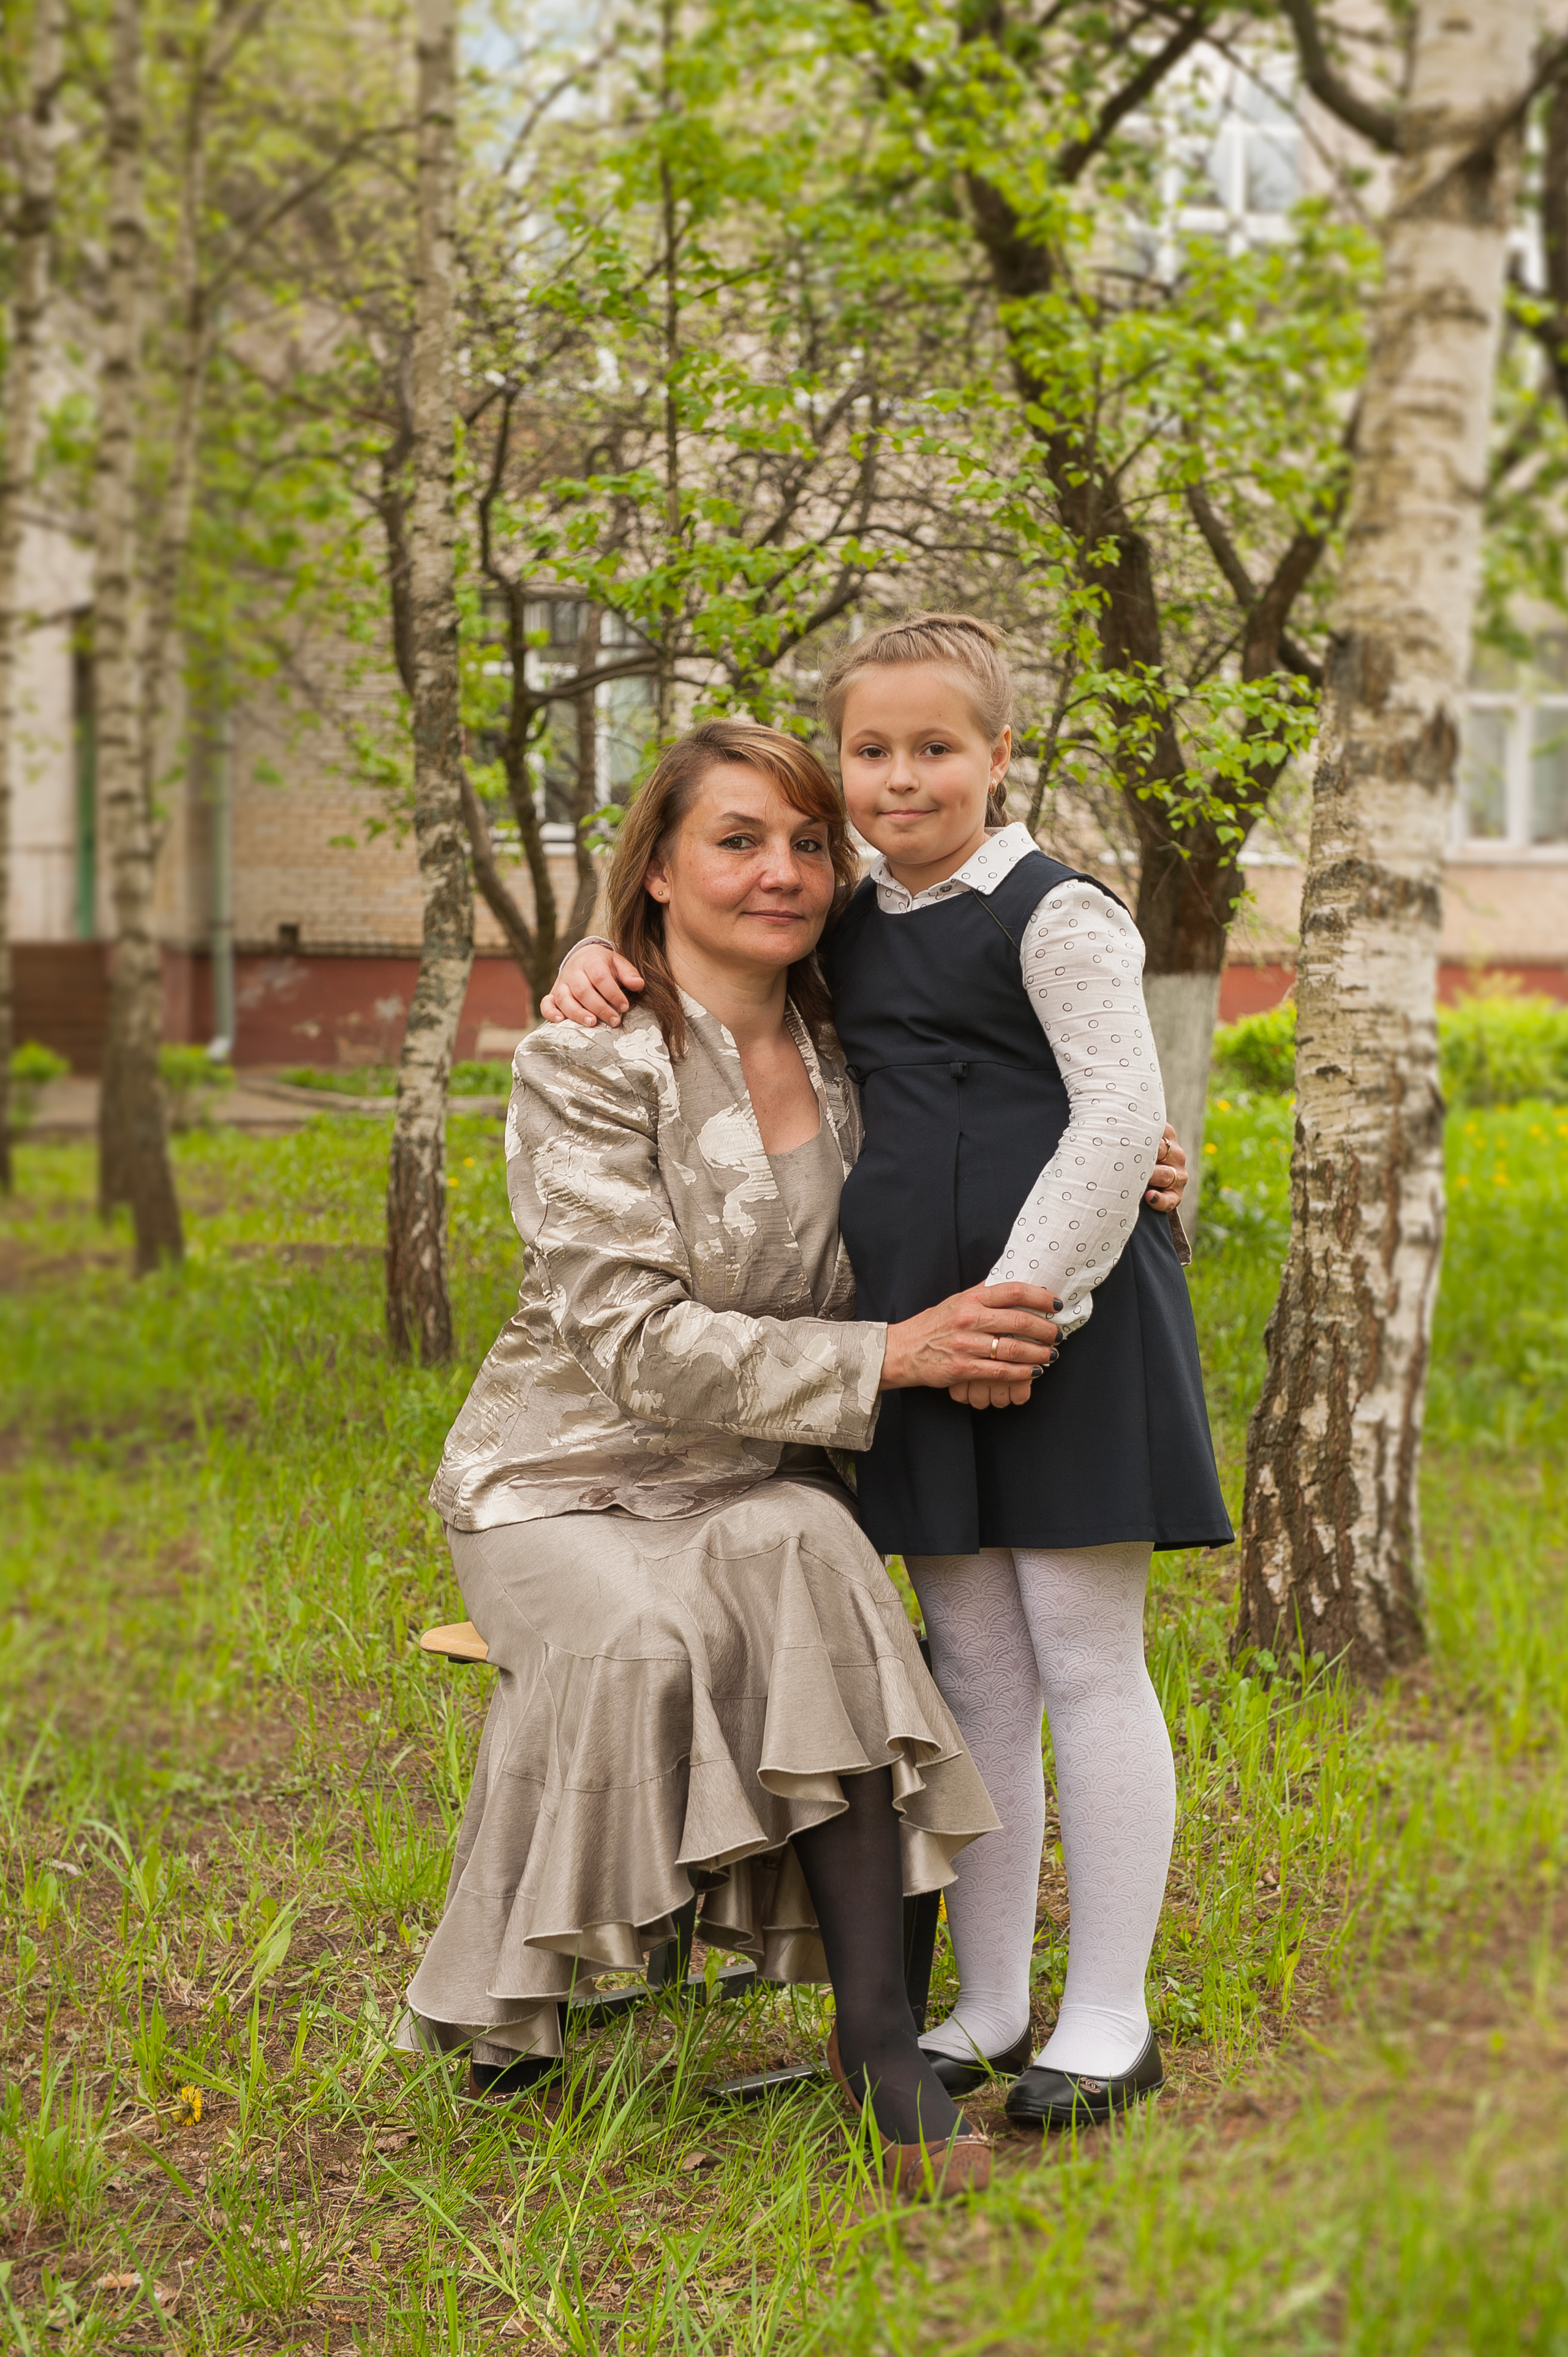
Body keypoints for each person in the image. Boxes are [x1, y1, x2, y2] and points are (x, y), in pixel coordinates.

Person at [545, 613, 1229, 2133]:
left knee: (1082, 1658)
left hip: (1059, 1326)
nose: (901, 777)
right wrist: (598, 953)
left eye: (935, 747)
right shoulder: (850, 921)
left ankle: (1108, 2014)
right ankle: (985, 2005)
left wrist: (1022, 1307)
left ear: (999, 754)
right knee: (970, 1667)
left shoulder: (1058, 914)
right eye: (870, 750)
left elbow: (1118, 1116)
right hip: (915, 1341)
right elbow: (713, 960)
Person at [401, 717, 1085, 2199]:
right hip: (563, 1477)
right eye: (735, 840)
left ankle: (879, 2042)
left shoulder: (858, 1041)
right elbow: (631, 1341)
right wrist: (890, 1357)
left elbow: (1000, 1134)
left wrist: (1127, 1155)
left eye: (805, 845)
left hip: (756, 1473)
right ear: (657, 869)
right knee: (644, 1642)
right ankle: (521, 1984)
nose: (780, 871)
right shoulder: (586, 1056)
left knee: (815, 1557)